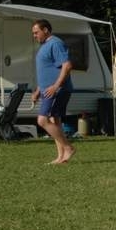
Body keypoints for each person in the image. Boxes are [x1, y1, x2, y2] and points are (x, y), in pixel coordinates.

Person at [30, 19, 75, 164]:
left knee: (42, 120)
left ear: (46, 30)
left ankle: (68, 148)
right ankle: (61, 157)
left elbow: (67, 66)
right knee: (54, 121)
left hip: (56, 90)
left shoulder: (55, 43)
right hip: (47, 90)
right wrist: (38, 90)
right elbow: (46, 71)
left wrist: (56, 86)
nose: (35, 36)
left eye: (36, 32)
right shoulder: (44, 46)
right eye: (33, 33)